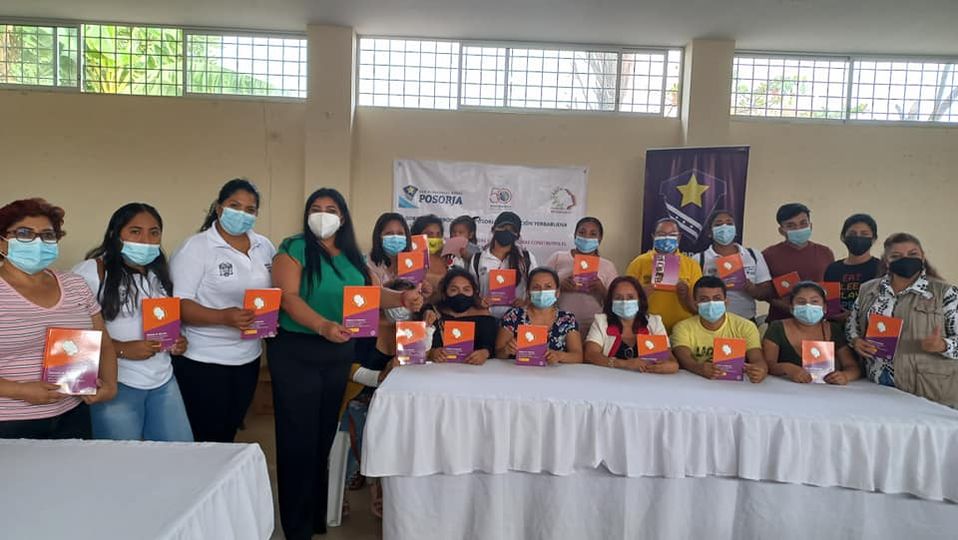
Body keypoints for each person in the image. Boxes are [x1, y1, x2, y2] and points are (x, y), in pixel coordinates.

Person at [269, 188, 424, 539]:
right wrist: (322, 325)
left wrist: (401, 297)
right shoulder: (293, 249)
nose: (323, 214)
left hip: (338, 351)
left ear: (343, 217)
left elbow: (371, 296)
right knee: (297, 441)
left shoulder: (352, 256)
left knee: (322, 437)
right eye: (316, 208)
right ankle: (296, 527)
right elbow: (288, 299)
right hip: (298, 350)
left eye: (331, 209)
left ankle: (314, 518)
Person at [73, 203, 193, 441]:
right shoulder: (92, 271)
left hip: (162, 378)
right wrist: (121, 349)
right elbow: (71, 335)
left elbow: (164, 320)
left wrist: (177, 341)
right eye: (135, 231)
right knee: (120, 457)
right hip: (115, 381)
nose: (146, 240)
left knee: (178, 452)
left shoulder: (159, 274)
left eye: (154, 232)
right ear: (115, 234)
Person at [0, 198, 117, 439]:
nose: (37, 242)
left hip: (73, 413)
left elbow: (104, 343)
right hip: (9, 421)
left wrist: (110, 385)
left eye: (47, 235)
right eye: (24, 234)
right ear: (2, 242)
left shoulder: (75, 285)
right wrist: (19, 390)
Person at [169, 179, 276, 442]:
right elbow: (179, 304)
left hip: (248, 357)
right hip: (203, 360)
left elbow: (274, 291)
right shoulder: (196, 247)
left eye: (250, 209)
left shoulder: (264, 246)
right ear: (219, 208)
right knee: (206, 436)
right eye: (234, 206)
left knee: (229, 432)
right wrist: (223, 317)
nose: (242, 214)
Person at [847, 233, 958, 407]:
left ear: (923, 256)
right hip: (878, 385)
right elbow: (851, 327)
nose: (905, 259)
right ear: (886, 261)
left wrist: (943, 345)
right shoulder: (868, 290)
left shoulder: (945, 293)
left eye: (913, 254)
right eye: (896, 256)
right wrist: (856, 341)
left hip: (929, 389)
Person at [671, 276, 768, 383]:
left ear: (726, 302)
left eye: (717, 298)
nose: (711, 303)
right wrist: (699, 368)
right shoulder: (682, 328)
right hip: (695, 383)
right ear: (695, 304)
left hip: (733, 385)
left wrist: (760, 370)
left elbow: (758, 360)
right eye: (704, 299)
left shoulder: (746, 326)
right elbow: (685, 359)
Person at [763, 281, 861, 385]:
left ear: (824, 307)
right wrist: (787, 368)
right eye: (801, 302)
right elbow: (767, 365)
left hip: (826, 391)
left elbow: (852, 367)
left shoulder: (834, 329)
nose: (808, 306)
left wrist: (845, 375)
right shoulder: (777, 328)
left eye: (814, 301)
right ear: (791, 308)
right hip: (785, 389)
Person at [584, 276, 679, 374]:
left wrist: (671, 366)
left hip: (647, 381)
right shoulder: (601, 322)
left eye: (630, 297)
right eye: (618, 298)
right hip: (609, 379)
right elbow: (590, 354)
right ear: (611, 302)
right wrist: (625, 364)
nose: (624, 302)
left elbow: (670, 359)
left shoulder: (654, 322)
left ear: (639, 300)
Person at [625, 217, 702, 331]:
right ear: (653, 237)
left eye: (672, 235)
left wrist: (686, 296)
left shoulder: (692, 265)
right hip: (647, 327)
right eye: (661, 234)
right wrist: (640, 295)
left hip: (682, 328)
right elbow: (625, 301)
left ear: (679, 237)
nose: (667, 238)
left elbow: (698, 307)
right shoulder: (639, 263)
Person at [762, 203, 835, 322]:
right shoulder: (768, 255)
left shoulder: (825, 252)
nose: (798, 229)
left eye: (803, 223)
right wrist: (790, 308)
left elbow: (831, 290)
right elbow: (764, 293)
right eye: (791, 225)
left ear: (811, 225)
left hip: (817, 322)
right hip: (780, 321)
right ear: (781, 230)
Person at [695, 210, 772, 322]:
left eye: (729, 223)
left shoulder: (753, 255)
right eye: (718, 224)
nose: (724, 227)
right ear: (710, 232)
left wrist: (753, 289)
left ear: (735, 230)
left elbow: (767, 291)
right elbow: (694, 295)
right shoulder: (699, 259)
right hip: (711, 321)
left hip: (746, 320)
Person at [495, 267, 583, 364]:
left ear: (557, 292)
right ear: (528, 292)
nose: (542, 291)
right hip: (518, 372)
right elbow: (498, 353)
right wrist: (507, 350)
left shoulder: (567, 319)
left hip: (555, 372)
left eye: (548, 286)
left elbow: (578, 356)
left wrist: (560, 356)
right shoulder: (513, 316)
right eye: (536, 287)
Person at [545, 216, 618, 332]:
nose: (586, 237)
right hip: (559, 324)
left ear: (600, 239)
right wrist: (559, 286)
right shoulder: (558, 258)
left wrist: (602, 290)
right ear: (575, 235)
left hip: (594, 327)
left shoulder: (608, 266)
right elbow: (540, 290)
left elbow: (617, 302)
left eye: (593, 234)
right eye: (582, 232)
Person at [470, 211, 538, 319]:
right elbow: (471, 290)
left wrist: (525, 302)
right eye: (502, 227)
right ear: (493, 229)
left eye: (512, 230)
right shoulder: (478, 259)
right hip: (486, 317)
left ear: (517, 235)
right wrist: (479, 302)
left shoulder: (526, 258)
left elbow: (537, 286)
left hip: (517, 318)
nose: (506, 231)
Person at [428, 268, 497, 365]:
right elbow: (423, 346)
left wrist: (484, 353)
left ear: (474, 292)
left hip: (473, 370)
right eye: (454, 290)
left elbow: (492, 347)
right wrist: (432, 353)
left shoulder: (484, 317)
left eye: (466, 289)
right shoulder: (433, 314)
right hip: (439, 370)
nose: (461, 294)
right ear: (445, 292)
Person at [824, 214, 881, 322]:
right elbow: (830, 306)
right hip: (836, 328)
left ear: (874, 239)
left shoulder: (882, 269)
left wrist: (853, 315)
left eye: (864, 234)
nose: (858, 237)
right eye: (852, 234)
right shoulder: (833, 269)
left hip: (869, 328)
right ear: (843, 237)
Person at [411, 214, 458, 301]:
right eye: (429, 234)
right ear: (417, 235)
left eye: (438, 234)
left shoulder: (449, 258)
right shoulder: (409, 260)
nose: (434, 238)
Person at [366, 212, 411, 286]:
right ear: (379, 237)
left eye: (400, 233)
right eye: (389, 233)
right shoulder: (368, 265)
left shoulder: (413, 263)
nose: (395, 238)